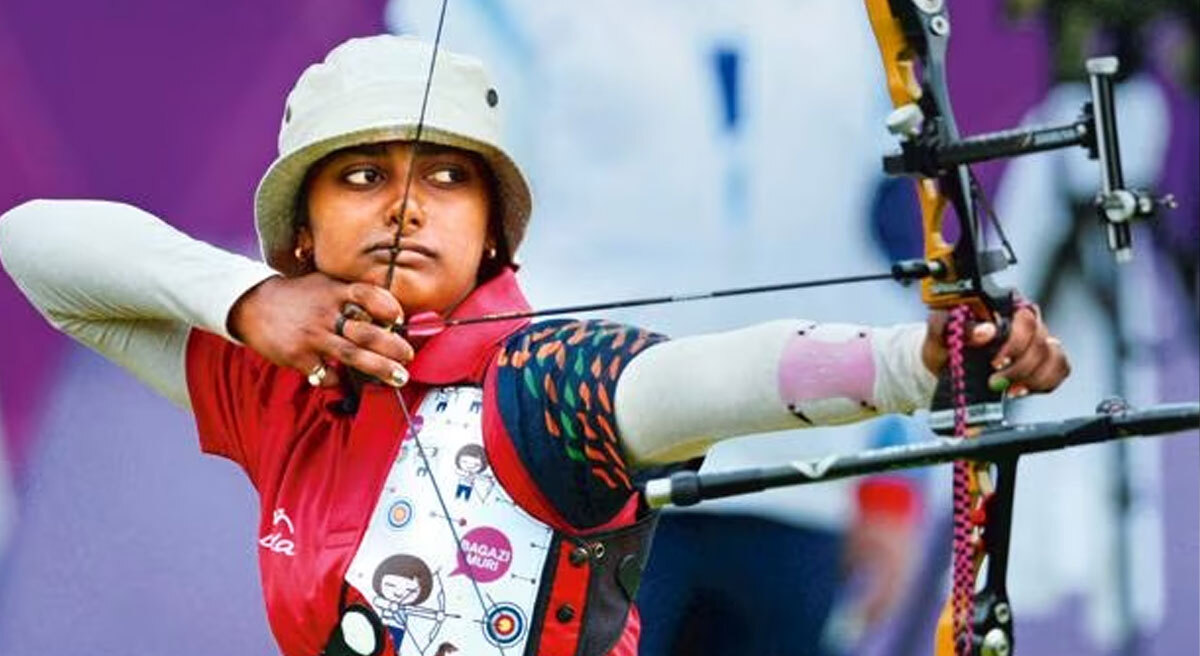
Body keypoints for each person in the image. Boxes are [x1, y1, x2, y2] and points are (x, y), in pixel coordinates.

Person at [0, 35, 1069, 656]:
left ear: (494, 234)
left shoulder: (545, 383)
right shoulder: (277, 388)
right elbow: (37, 245)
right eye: (362, 176)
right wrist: (248, 301)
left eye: (446, 177)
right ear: (304, 234)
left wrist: (919, 361)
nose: (406, 205)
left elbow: (712, 376)